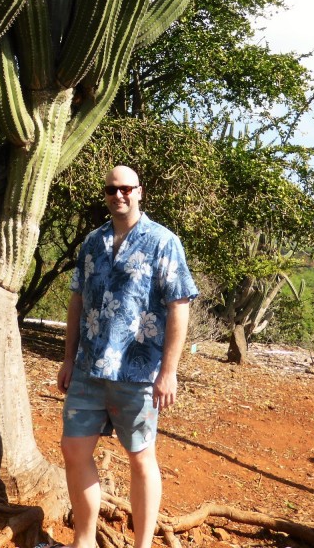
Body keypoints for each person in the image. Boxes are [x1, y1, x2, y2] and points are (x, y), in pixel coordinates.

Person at [57, 165, 197, 548]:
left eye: (125, 189)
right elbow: (77, 300)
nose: (118, 195)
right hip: (88, 369)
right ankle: (83, 542)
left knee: (140, 458)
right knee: (74, 449)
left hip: (137, 373)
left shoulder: (162, 241)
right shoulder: (93, 242)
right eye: (111, 190)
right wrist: (68, 358)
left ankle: (143, 545)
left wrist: (169, 371)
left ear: (140, 192)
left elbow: (179, 305)